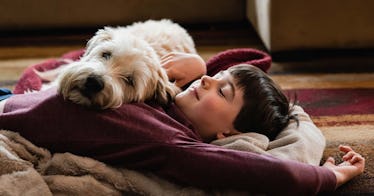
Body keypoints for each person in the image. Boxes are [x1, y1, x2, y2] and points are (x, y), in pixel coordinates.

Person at [0, 52, 365, 195]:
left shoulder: (170, 142)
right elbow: (249, 59)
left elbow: (278, 174)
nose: (206, 82)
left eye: (222, 92)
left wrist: (333, 176)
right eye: (214, 77)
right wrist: (197, 66)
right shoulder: (161, 97)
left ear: (228, 134)